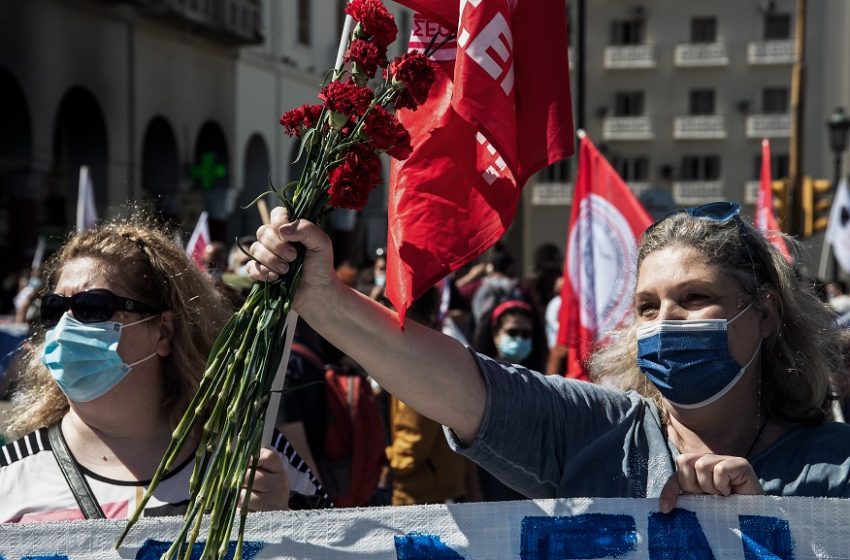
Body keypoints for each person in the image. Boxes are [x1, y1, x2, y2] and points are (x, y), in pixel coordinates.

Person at [249, 202, 850, 510]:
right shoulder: (596, 433)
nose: (666, 322)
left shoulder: (836, 469)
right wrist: (321, 299)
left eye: (695, 299)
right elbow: (460, 386)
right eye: (646, 306)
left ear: (766, 314)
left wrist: (764, 533)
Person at [0, 210, 328, 523]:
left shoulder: (253, 457)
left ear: (164, 331)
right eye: (55, 308)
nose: (65, 326)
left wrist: (282, 525)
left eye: (92, 307)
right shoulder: (11, 475)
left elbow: (339, 543)